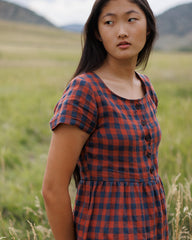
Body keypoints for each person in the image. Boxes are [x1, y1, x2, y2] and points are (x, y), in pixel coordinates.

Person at [42, 0, 169, 239]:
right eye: (109, 22)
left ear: (148, 27)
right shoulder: (85, 90)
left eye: (131, 19)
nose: (122, 31)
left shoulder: (146, 86)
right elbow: (53, 189)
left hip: (153, 225)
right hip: (106, 228)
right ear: (98, 34)